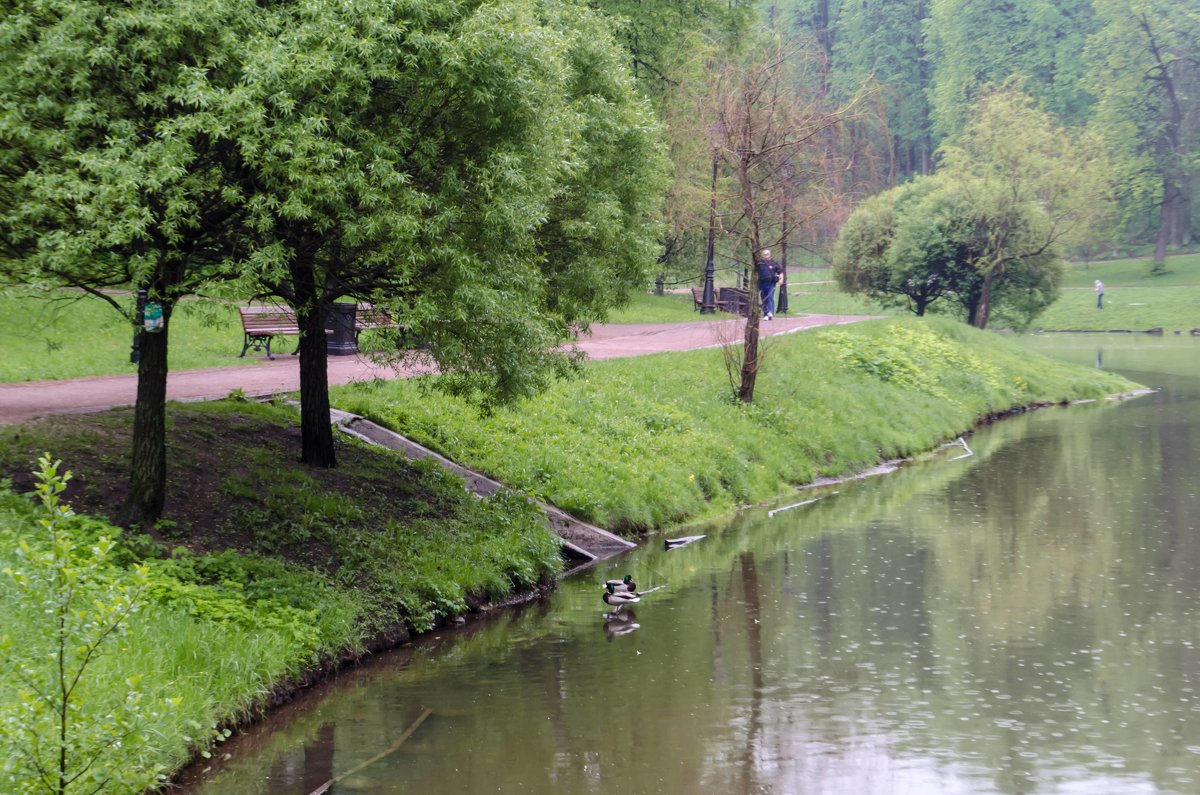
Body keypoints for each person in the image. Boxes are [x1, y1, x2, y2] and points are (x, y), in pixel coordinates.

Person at [757, 249, 781, 319]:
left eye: (767, 254)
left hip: (771, 283)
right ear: (762, 255)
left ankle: (770, 312)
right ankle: (766, 313)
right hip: (762, 283)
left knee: (770, 297)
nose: (766, 256)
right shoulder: (759, 264)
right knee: (764, 299)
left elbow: (780, 271)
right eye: (764, 254)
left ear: (769, 255)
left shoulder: (774, 263)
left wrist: (781, 280)